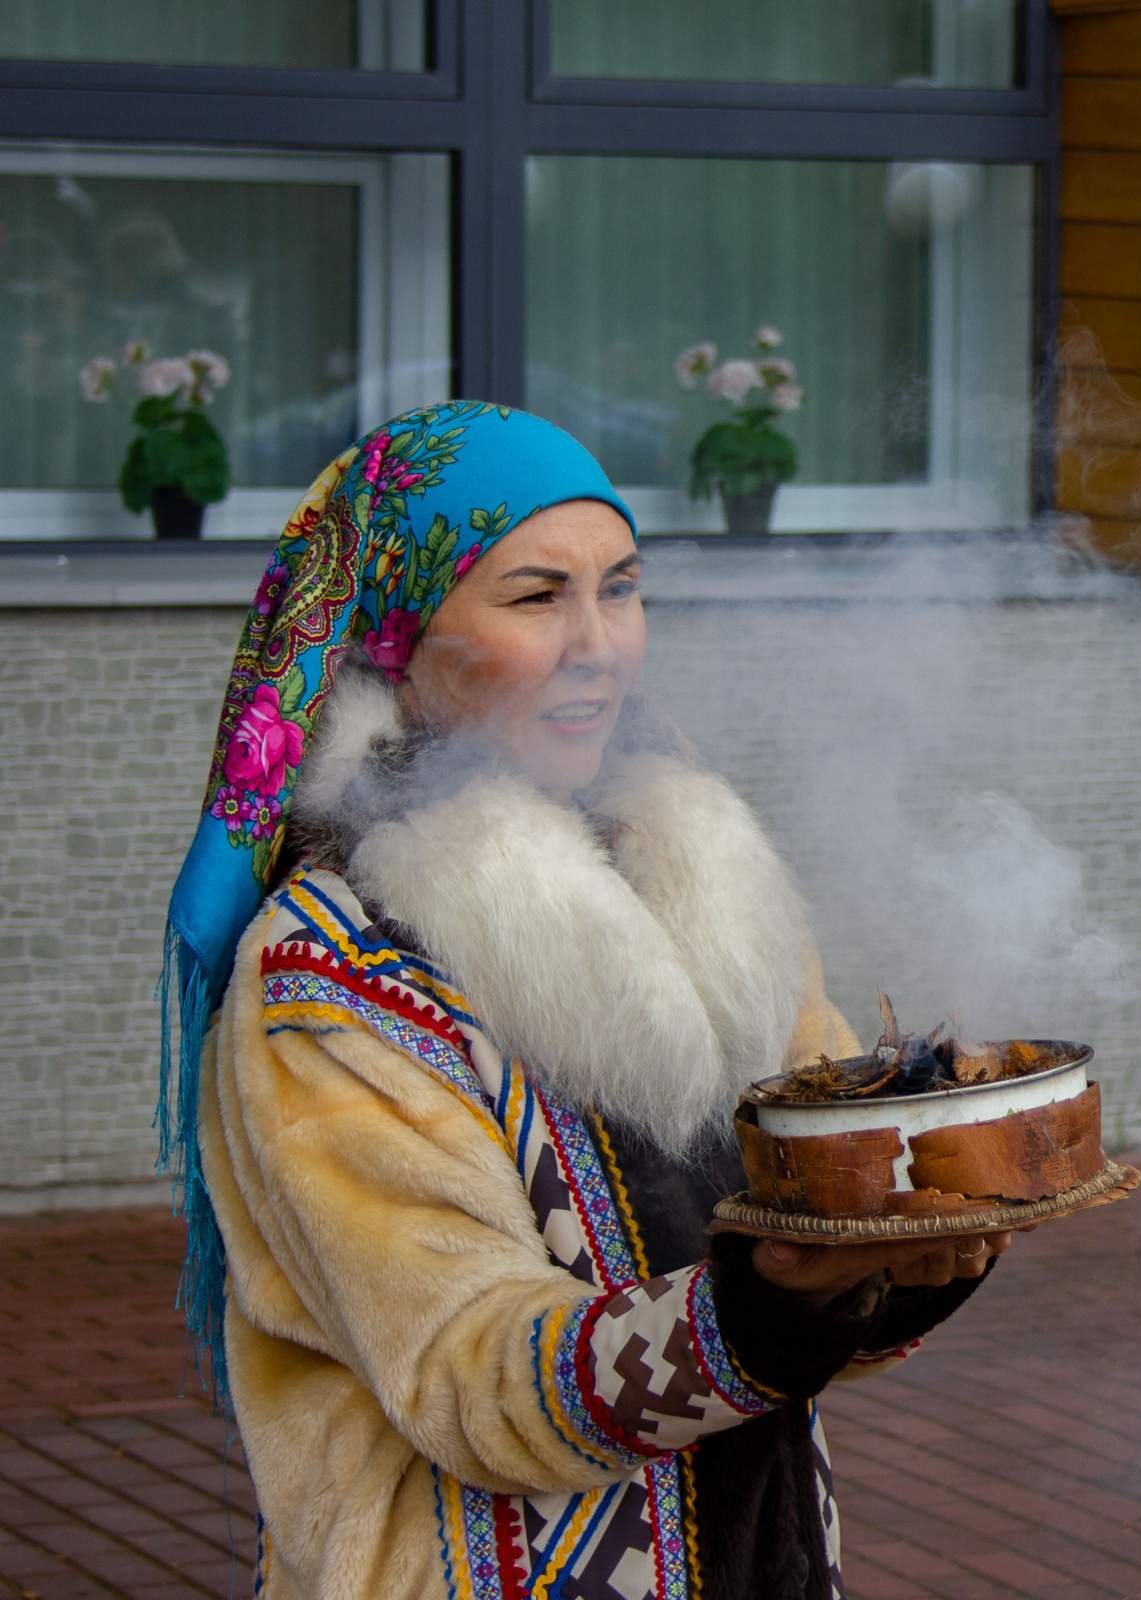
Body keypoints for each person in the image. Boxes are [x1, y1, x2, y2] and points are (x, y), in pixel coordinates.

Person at [158, 400, 1009, 1600]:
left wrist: (907, 1242)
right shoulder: (328, 976)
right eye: (535, 596)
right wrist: (757, 1311)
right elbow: (467, 1376)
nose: (599, 641)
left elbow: (812, 1216)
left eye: (621, 585)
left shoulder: (700, 869)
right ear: (399, 637)